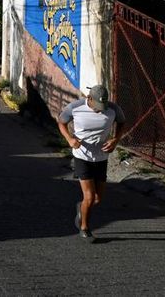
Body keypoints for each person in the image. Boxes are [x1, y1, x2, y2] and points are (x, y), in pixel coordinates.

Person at [57, 85, 126, 243]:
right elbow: (61, 122)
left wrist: (115, 140)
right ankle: (85, 228)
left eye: (103, 106)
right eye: (97, 106)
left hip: (101, 158)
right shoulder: (75, 107)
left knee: (97, 199)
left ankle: (81, 207)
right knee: (89, 196)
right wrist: (69, 139)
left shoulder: (113, 109)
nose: (100, 110)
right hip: (82, 156)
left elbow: (122, 123)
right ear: (89, 98)